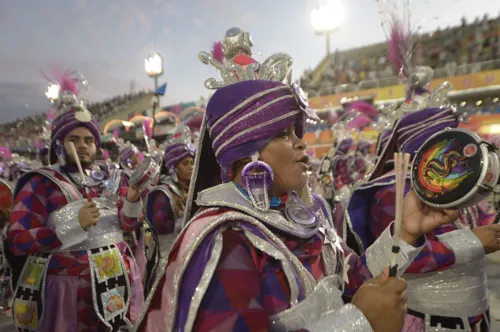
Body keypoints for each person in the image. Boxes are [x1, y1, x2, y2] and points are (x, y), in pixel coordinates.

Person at [135, 31, 457, 332]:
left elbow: (353, 276)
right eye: (283, 134)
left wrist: (404, 233)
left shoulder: (307, 212)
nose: (301, 143)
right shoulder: (226, 240)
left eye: (297, 131)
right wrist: (358, 323)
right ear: (247, 154)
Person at [348, 67, 496, 330]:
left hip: (476, 316)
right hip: (426, 322)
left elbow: (482, 219)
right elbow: (401, 256)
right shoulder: (392, 191)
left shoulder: (459, 184)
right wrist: (471, 242)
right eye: (449, 137)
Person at [7, 81, 145, 331]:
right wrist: (71, 226)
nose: (83, 145)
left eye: (89, 140)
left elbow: (127, 226)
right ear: (59, 145)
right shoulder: (40, 182)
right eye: (74, 139)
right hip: (66, 294)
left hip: (118, 285)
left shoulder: (113, 177)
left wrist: (133, 202)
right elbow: (17, 240)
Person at [145, 126, 195, 257]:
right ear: (173, 168)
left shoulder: (192, 188)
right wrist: (189, 217)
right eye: (185, 164)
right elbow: (161, 227)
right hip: (168, 257)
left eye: (192, 163)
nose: (191, 167)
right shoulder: (162, 193)